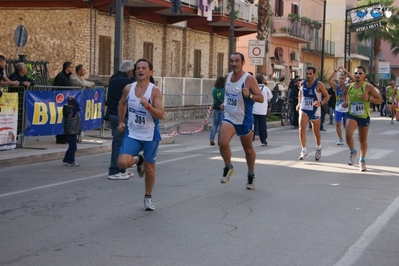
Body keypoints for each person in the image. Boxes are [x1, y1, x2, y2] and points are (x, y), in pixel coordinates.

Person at [117, 58, 164, 211]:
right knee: (122, 163)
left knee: (150, 169)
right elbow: (121, 103)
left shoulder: (154, 91)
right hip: (132, 133)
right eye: (138, 68)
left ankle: (148, 197)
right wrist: (120, 122)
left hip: (150, 135)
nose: (140, 70)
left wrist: (148, 106)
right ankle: (139, 160)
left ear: (151, 72)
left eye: (144, 68)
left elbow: (161, 114)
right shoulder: (128, 88)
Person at [219, 52, 264, 190]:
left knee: (248, 150)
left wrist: (249, 95)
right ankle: (228, 166)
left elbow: (260, 98)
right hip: (229, 117)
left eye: (237, 61)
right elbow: (228, 95)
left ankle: (251, 174)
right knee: (223, 142)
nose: (234, 64)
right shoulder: (227, 77)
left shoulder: (249, 79)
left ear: (242, 62)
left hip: (244, 119)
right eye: (232, 61)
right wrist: (223, 103)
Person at [342, 66, 382, 172]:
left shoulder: (368, 87)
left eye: (360, 73)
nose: (357, 75)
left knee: (362, 139)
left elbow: (379, 100)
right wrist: (345, 102)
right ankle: (352, 152)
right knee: (348, 133)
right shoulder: (348, 86)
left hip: (364, 116)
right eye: (356, 73)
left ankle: (362, 160)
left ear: (364, 75)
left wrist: (369, 98)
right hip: (352, 114)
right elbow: (344, 94)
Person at [106, 60, 136, 180]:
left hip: (113, 115)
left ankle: (122, 169)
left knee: (123, 143)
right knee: (118, 144)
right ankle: (114, 170)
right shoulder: (125, 82)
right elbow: (138, 83)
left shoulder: (114, 78)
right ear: (129, 72)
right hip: (120, 116)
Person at [297, 66, 330, 161]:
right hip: (304, 109)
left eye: (310, 74)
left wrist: (321, 103)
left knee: (315, 131)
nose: (308, 75)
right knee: (301, 128)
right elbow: (300, 93)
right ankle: (304, 151)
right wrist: (299, 103)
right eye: (307, 73)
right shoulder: (302, 83)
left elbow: (327, 96)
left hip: (315, 109)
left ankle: (318, 148)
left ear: (314, 74)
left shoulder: (319, 85)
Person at [328, 66, 355, 145]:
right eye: (340, 78)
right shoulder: (336, 87)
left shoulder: (348, 86)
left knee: (346, 126)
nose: (341, 80)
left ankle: (349, 137)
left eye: (343, 79)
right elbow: (329, 79)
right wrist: (335, 70)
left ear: (345, 80)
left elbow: (354, 80)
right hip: (338, 109)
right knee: (337, 124)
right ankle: (340, 138)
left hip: (346, 110)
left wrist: (346, 71)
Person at [54, 61, 74, 144]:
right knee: (60, 119)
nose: (72, 69)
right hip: (60, 102)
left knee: (67, 119)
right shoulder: (60, 76)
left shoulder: (68, 77)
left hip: (67, 101)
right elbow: (57, 88)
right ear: (67, 68)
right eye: (71, 67)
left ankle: (66, 136)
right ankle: (60, 137)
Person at [253, 73, 272, 146]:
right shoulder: (266, 89)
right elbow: (270, 97)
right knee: (262, 126)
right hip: (263, 110)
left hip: (254, 109)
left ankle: (251, 139)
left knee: (252, 126)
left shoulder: (253, 88)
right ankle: (263, 140)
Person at [62, 96, 82, 167]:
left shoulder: (67, 110)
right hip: (72, 131)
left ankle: (66, 159)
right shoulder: (73, 112)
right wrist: (74, 99)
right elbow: (78, 105)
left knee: (71, 146)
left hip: (69, 131)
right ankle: (71, 161)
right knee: (73, 147)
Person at [209, 76, 225, 146]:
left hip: (215, 107)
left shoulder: (214, 89)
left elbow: (214, 98)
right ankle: (219, 140)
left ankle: (211, 139)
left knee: (214, 124)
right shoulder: (224, 90)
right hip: (223, 108)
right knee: (221, 125)